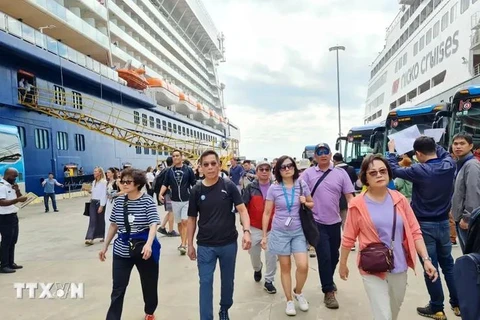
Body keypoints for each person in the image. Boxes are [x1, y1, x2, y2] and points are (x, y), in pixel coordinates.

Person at [340, 154, 438, 320]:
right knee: (383, 315)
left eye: (382, 171)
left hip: (399, 265)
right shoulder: (357, 204)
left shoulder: (400, 199)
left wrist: (426, 259)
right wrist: (343, 264)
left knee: (392, 312)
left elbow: (415, 231)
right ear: (365, 178)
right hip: (372, 266)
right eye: (373, 173)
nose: (379, 175)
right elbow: (348, 238)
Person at [388, 137, 460, 319]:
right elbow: (442, 151)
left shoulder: (419, 170)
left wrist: (391, 151)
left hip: (423, 225)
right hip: (444, 222)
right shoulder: (449, 164)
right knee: (448, 265)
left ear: (418, 154)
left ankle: (437, 308)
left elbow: (393, 169)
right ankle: (458, 303)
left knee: (430, 266)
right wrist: (430, 142)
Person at [187, 150, 252, 320]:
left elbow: (242, 210)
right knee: (205, 282)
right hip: (205, 246)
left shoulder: (228, 185)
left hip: (228, 244)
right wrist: (189, 244)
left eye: (213, 163)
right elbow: (192, 218)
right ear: (200, 168)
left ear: (219, 165)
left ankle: (224, 308)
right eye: (206, 164)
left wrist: (246, 232)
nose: (210, 167)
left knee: (227, 281)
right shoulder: (196, 190)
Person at [99, 168, 161, 320]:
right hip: (121, 251)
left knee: (149, 284)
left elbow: (153, 223)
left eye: (128, 181)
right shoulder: (119, 201)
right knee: (118, 289)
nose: (124, 184)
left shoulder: (147, 200)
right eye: (122, 181)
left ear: (138, 184)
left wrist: (148, 244)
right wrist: (105, 245)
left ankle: (149, 311)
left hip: (142, 250)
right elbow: (114, 225)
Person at [300, 143, 354, 309]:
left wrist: (355, 216)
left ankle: (328, 281)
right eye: (319, 152)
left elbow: (350, 196)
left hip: (335, 221)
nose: (323, 155)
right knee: (324, 256)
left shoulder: (341, 173)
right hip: (316, 222)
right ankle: (328, 291)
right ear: (315, 156)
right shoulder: (308, 174)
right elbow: (296, 191)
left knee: (334, 256)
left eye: (326, 152)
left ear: (330, 154)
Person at [262, 156, 314, 316]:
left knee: (303, 266)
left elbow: (312, 204)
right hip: (280, 232)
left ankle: (298, 292)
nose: (287, 169)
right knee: (285, 267)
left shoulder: (301, 184)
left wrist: (305, 201)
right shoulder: (274, 188)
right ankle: (289, 300)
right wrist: (264, 235)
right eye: (283, 167)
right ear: (278, 170)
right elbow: (267, 212)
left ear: (294, 167)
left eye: (289, 165)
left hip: (298, 231)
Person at [242, 161, 277, 294]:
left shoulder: (276, 187)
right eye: (261, 169)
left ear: (270, 171)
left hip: (272, 228)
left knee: (271, 255)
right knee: (254, 256)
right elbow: (243, 208)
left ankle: (269, 280)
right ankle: (258, 268)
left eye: (267, 169)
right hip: (254, 228)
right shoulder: (250, 188)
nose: (264, 171)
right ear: (256, 172)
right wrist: (245, 229)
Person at [159, 150, 196, 255]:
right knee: (179, 224)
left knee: (185, 222)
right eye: (173, 156)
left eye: (177, 156)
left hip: (187, 200)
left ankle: (184, 245)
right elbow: (165, 183)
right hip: (174, 200)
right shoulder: (169, 171)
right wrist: (160, 194)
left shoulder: (188, 170)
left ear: (181, 157)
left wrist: (196, 195)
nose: (175, 158)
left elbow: (194, 183)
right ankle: (183, 241)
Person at [450, 133, 480, 253]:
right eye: (455, 144)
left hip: (468, 221)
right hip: (461, 219)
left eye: (462, 144)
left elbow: (474, 192)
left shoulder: (471, 165)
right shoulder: (461, 163)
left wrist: (467, 218)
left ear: (471, 146)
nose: (458, 147)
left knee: (473, 256)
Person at [0, 168, 28, 273]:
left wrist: (17, 190)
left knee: (13, 241)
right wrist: (17, 200)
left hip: (13, 216)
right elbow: (1, 202)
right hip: (4, 217)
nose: (15, 178)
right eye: (14, 176)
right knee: (6, 241)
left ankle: (11, 263)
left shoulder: (11, 186)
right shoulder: (1, 186)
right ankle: (4, 265)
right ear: (7, 175)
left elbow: (20, 199)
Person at [154, 157, 178, 237]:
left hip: (164, 193)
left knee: (170, 211)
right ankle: (171, 231)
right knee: (171, 212)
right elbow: (168, 184)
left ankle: (162, 227)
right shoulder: (170, 170)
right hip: (168, 193)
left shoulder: (164, 170)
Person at [84, 167, 107, 246]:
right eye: (94, 171)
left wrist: (102, 205)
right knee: (92, 220)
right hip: (93, 202)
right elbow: (94, 192)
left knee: (101, 220)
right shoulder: (94, 182)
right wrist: (88, 190)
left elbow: (103, 194)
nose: (94, 173)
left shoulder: (103, 182)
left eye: (95, 171)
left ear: (100, 173)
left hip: (99, 203)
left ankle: (104, 235)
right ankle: (90, 238)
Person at [105, 168, 121, 240]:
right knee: (107, 218)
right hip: (109, 202)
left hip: (115, 202)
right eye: (107, 173)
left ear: (113, 173)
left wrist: (114, 194)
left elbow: (123, 191)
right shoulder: (108, 182)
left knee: (114, 219)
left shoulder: (117, 181)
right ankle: (108, 236)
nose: (107, 174)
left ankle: (115, 236)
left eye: (109, 172)